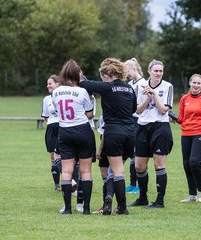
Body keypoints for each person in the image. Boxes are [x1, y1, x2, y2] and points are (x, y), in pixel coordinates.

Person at [80, 58, 136, 215]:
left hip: (114, 132)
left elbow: (84, 84)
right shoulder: (129, 89)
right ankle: (110, 200)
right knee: (116, 170)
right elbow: (133, 109)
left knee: (116, 171)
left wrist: (79, 77)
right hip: (131, 133)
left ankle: (122, 207)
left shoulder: (106, 87)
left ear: (105, 74)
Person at [52, 59, 96, 215]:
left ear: (63, 75)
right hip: (83, 131)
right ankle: (86, 208)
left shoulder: (55, 92)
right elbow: (90, 114)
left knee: (67, 171)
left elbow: (58, 111)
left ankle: (68, 208)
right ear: (78, 75)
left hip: (64, 132)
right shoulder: (82, 91)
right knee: (85, 171)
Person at [129, 59, 173, 209]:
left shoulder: (168, 86)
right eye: (156, 71)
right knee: (139, 166)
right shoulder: (139, 87)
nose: (158, 73)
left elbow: (162, 109)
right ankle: (143, 198)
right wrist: (148, 97)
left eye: (161, 71)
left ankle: (160, 201)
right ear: (149, 71)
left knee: (158, 164)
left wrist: (154, 93)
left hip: (160, 127)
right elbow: (137, 110)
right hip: (142, 127)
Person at [177, 74, 201, 203]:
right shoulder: (184, 99)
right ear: (190, 83)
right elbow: (181, 119)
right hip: (186, 134)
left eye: (198, 83)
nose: (196, 85)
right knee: (186, 164)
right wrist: (170, 116)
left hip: (200, 133)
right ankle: (192, 195)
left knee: (194, 162)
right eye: (194, 83)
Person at [124, 58, 147, 194]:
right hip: (130, 120)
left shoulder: (143, 84)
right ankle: (133, 184)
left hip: (139, 121)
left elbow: (141, 104)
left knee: (137, 154)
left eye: (127, 71)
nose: (126, 74)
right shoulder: (131, 83)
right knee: (131, 153)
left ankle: (138, 185)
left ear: (134, 69)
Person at [41, 75, 61, 191]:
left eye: (50, 83)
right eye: (47, 84)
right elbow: (46, 116)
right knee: (53, 156)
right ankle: (57, 185)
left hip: (62, 127)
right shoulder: (46, 99)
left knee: (64, 156)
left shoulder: (63, 96)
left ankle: (69, 182)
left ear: (58, 84)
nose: (48, 86)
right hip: (51, 128)